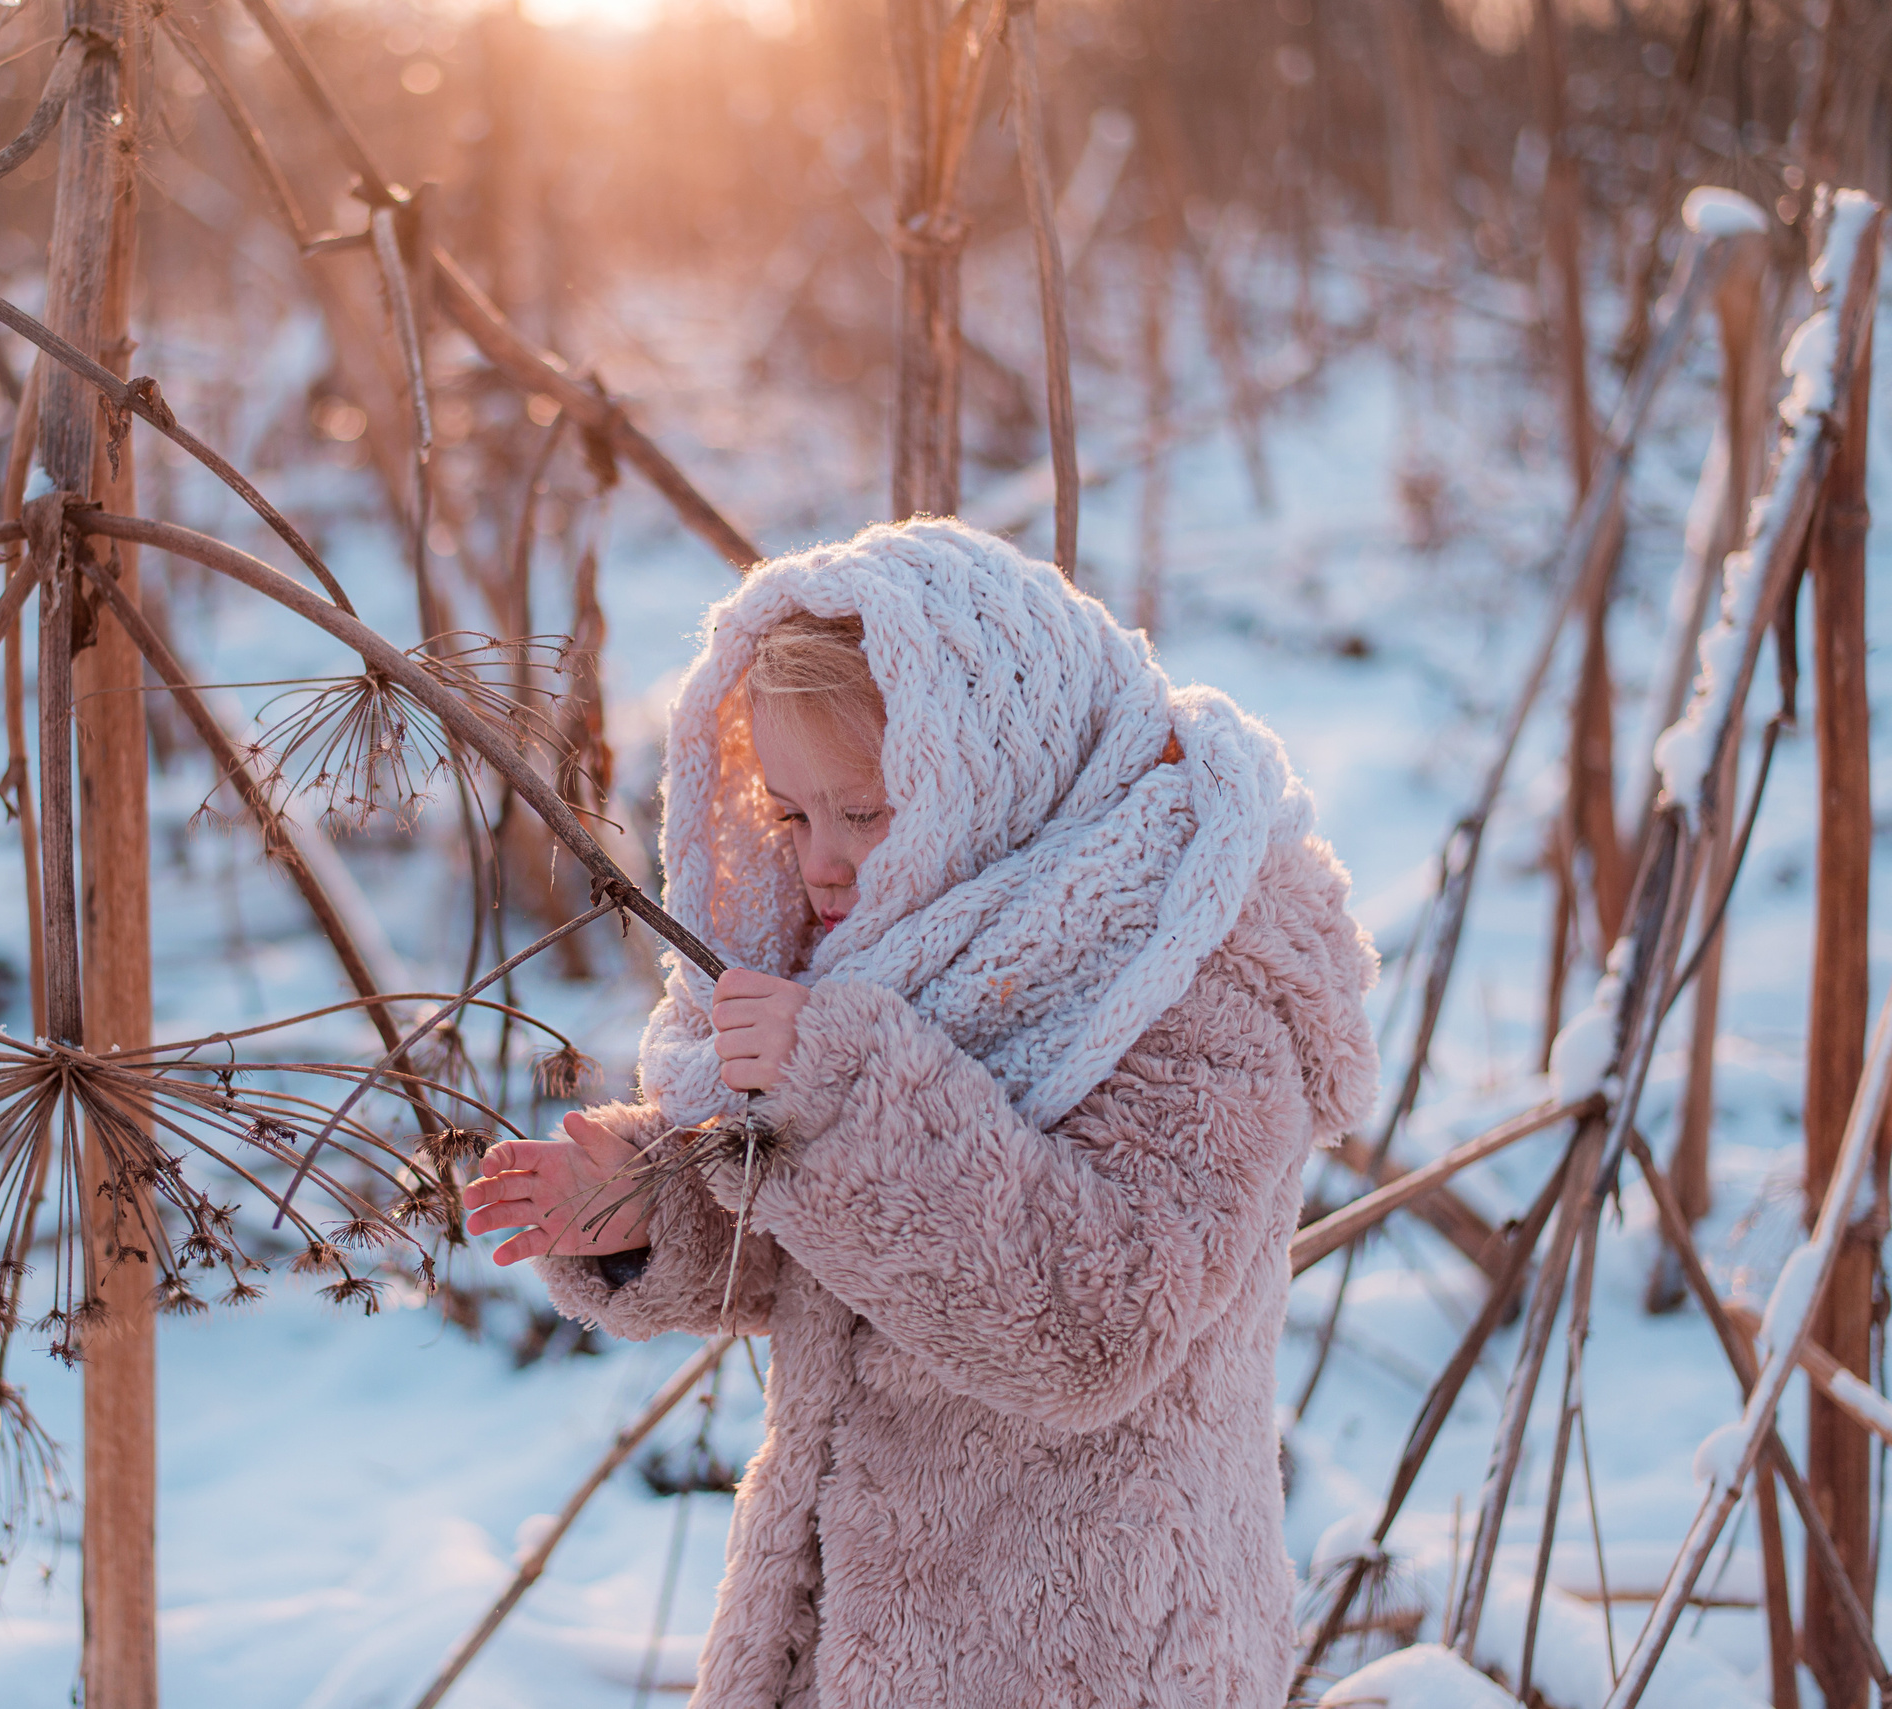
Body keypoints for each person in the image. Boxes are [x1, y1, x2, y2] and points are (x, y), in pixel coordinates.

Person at [460, 517, 1379, 1709]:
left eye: (865, 812)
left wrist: (832, 1098)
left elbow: (1092, 1323)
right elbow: (837, 1250)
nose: (821, 865)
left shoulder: (1201, 979)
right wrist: (644, 1206)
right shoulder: (901, 948)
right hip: (842, 1616)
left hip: (1086, 1643)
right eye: (791, 816)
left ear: (994, 773)